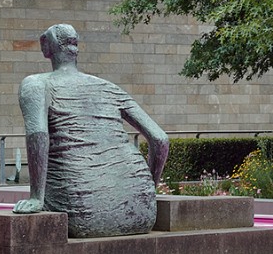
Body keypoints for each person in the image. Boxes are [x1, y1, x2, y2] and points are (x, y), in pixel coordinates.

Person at [14, 24, 169, 238]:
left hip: (83, 212)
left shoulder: (36, 84)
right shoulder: (109, 88)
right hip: (142, 213)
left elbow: (38, 135)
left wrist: (36, 198)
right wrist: (148, 189)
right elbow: (160, 139)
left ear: (47, 46)